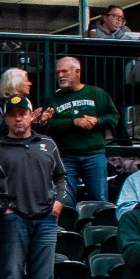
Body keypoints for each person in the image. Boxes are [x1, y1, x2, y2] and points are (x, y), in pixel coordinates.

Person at [0, 95, 66, 279]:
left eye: (22, 114)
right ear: (5, 119)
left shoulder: (48, 143)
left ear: (31, 116)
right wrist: (3, 209)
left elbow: (61, 176)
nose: (18, 118)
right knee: (11, 278)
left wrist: (59, 202)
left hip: (47, 219)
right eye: (12, 115)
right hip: (14, 219)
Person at [39, 57, 117, 204]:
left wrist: (97, 121)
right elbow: (48, 125)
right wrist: (73, 122)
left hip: (94, 155)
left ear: (78, 72)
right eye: (58, 73)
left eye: (64, 71)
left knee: (100, 200)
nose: (60, 76)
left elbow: (114, 117)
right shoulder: (53, 99)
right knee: (65, 201)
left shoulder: (96, 93)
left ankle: (98, 220)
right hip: (66, 156)